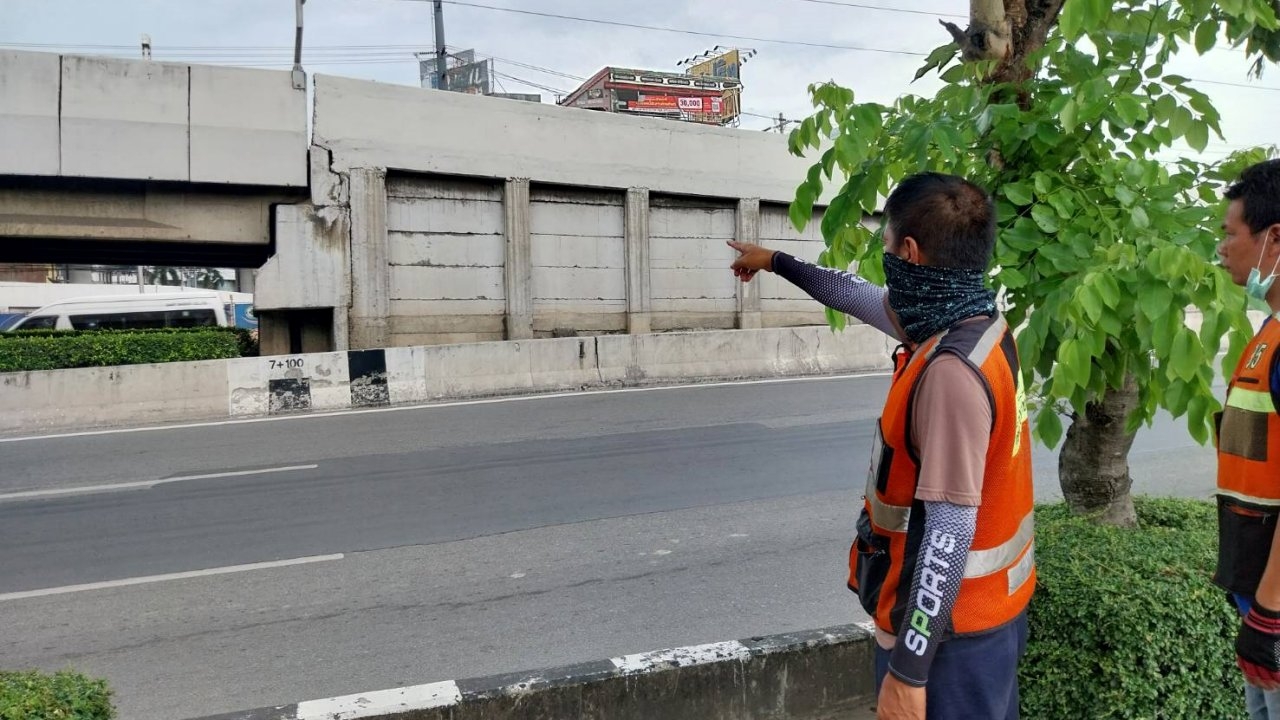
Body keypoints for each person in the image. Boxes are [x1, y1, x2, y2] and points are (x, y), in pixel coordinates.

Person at [729, 172, 1035, 720]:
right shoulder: (974, 324)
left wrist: (910, 672)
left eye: (889, 244)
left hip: (950, 647)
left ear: (910, 252)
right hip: (982, 624)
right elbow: (854, 295)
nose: (886, 258)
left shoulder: (950, 374)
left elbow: (949, 532)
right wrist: (774, 259)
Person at [1212, 158, 1280, 720]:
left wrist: (1272, 611)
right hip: (1259, 601)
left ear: (1273, 238)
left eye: (1231, 233)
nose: (1222, 247)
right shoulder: (1269, 333)